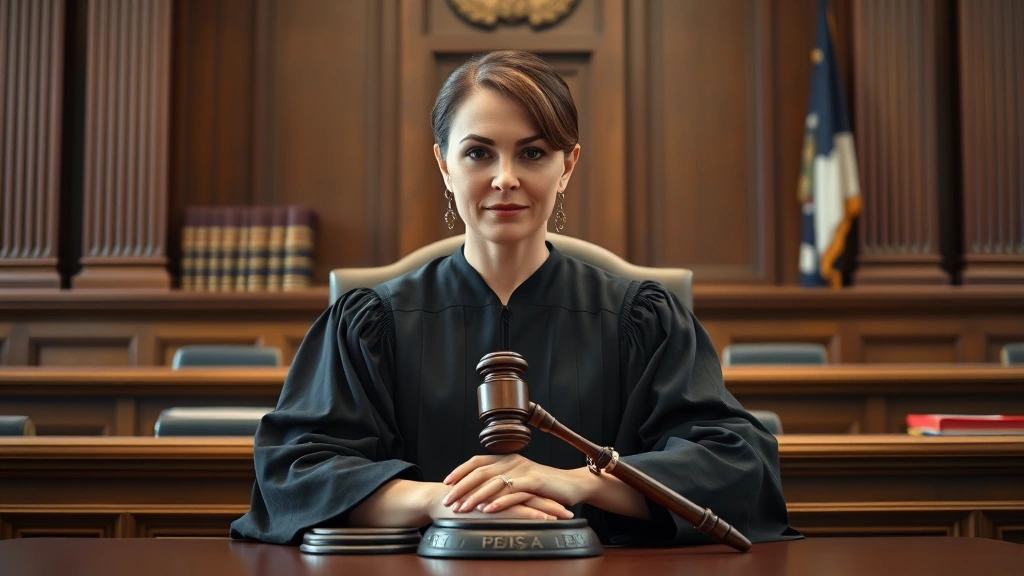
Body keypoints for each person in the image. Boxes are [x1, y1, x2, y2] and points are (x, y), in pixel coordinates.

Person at [230, 50, 798, 546]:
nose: (505, 178)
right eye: (479, 153)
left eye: (532, 153)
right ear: (444, 166)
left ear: (567, 165)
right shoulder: (370, 322)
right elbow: (294, 473)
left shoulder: (641, 318)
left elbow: (737, 465)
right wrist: (437, 501)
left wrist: (575, 481)